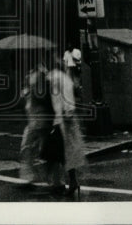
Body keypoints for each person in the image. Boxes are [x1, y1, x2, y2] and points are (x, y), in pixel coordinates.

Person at [46, 57, 88, 198]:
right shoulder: (62, 78)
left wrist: (67, 113)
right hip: (63, 118)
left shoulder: (58, 78)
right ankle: (68, 181)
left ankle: (59, 182)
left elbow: (66, 100)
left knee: (59, 152)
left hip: (62, 119)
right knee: (64, 152)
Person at [19, 54, 52, 186]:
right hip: (33, 118)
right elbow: (26, 93)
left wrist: (31, 91)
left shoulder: (42, 75)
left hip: (40, 119)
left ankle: (44, 177)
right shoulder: (31, 75)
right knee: (30, 148)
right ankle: (32, 176)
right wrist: (26, 90)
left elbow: (42, 97)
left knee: (32, 148)